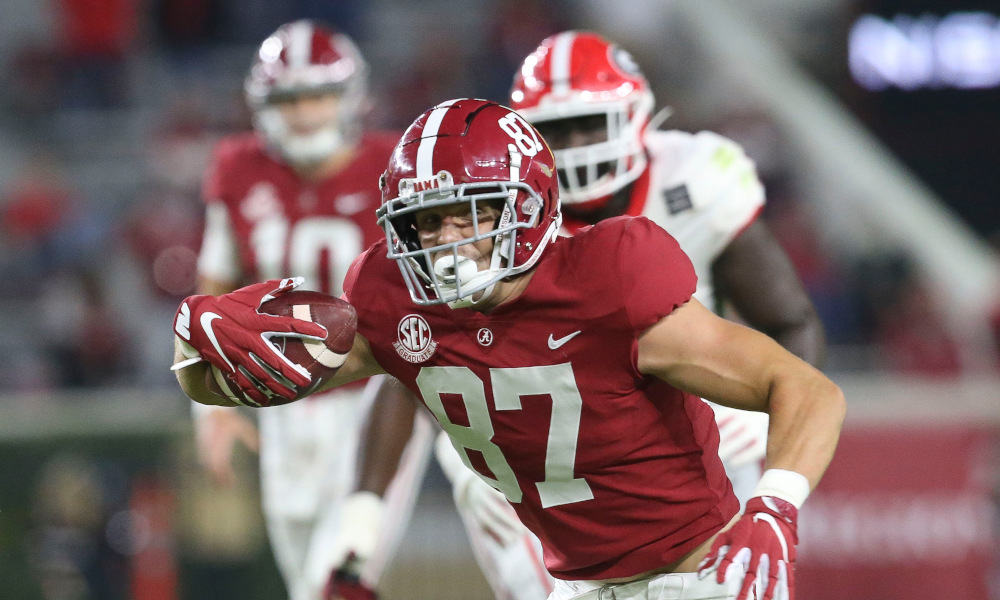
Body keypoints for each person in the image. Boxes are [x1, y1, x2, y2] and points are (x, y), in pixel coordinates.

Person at [174, 97, 846, 600]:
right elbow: (244, 380)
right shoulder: (396, 304)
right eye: (424, 222)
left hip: (699, 575)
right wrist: (198, 349)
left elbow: (808, 389)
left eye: (470, 214)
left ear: (528, 204)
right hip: (577, 587)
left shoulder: (608, 277)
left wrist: (775, 503)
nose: (444, 241)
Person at [429, 31, 829, 600]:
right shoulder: (494, 218)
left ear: (636, 115)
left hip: (693, 403)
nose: (575, 146)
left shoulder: (697, 178)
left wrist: (777, 436)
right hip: (557, 410)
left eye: (591, 123)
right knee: (463, 461)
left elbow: (790, 321)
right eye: (556, 131)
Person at [186, 20, 434, 600]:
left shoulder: (395, 166)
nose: (304, 112)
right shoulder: (237, 168)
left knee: (341, 578)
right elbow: (215, 285)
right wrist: (210, 409)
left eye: (318, 94)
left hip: (375, 396)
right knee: (305, 584)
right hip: (282, 401)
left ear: (351, 96)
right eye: (288, 98)